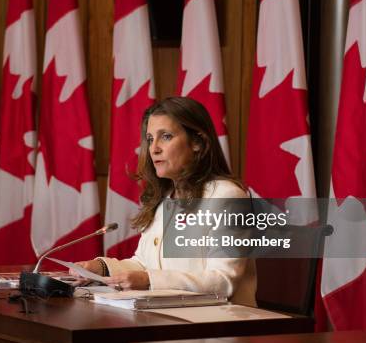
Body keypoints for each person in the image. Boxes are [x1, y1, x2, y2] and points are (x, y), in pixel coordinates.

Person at [71, 97, 257, 306]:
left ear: (198, 142)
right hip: (165, 319)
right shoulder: (165, 199)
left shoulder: (228, 198)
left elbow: (223, 281)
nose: (154, 148)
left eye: (166, 137)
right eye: (150, 139)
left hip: (220, 328)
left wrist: (148, 280)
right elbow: (144, 264)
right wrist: (103, 269)